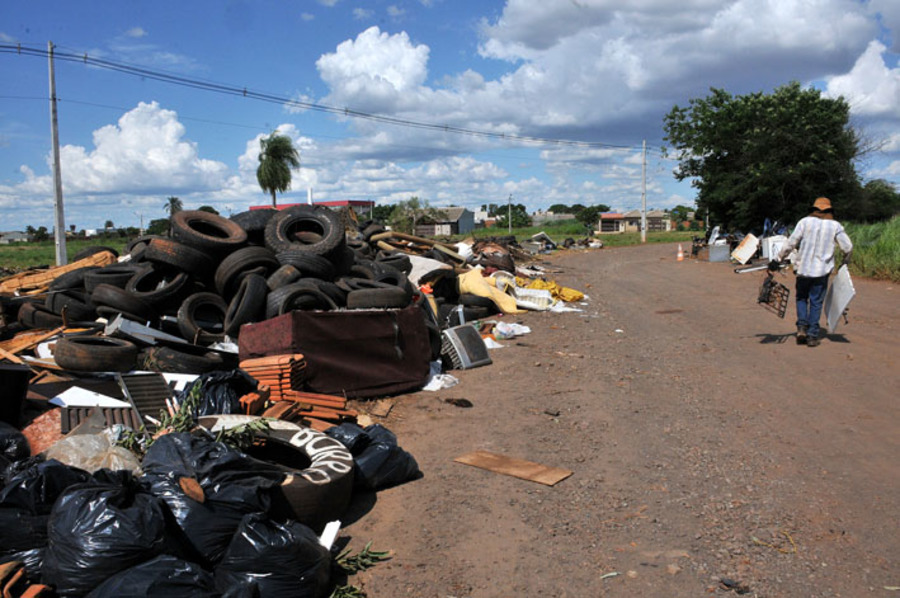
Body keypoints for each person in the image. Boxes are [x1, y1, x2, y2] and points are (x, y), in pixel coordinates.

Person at [774, 197, 853, 347]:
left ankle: (801, 328)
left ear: (814, 210)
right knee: (816, 302)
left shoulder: (804, 222)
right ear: (830, 211)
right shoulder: (835, 226)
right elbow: (848, 247)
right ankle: (812, 335)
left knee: (801, 298)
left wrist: (778, 258)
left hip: (803, 269)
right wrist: (845, 263)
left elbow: (791, 243)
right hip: (822, 271)